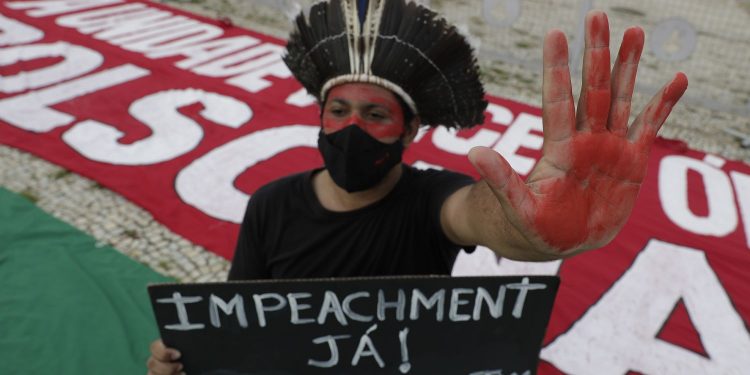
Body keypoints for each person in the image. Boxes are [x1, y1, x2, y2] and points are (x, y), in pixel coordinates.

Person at [146, 0, 688, 373]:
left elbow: (480, 214)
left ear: (409, 130)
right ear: (319, 116)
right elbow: (238, 321)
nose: (352, 128)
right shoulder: (271, 204)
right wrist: (187, 359)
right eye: (338, 111)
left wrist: (538, 231)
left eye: (374, 113)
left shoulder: (433, 200)